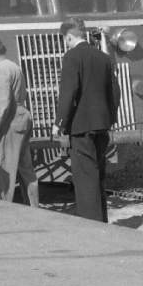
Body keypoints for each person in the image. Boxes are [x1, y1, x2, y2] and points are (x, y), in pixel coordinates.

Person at [53, 17, 119, 222]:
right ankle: (102, 219)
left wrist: (59, 123)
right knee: (98, 174)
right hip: (102, 125)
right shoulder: (103, 57)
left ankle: (91, 224)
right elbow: (114, 92)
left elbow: (68, 92)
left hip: (81, 128)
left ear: (70, 37)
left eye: (66, 40)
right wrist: (110, 119)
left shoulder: (72, 57)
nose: (66, 43)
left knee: (85, 178)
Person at [0, 37, 39, 207]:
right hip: (21, 119)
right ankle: (35, 209)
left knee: (3, 169)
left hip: (9, 122)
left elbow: (2, 105)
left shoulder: (1, 70)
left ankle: (2, 211)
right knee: (26, 169)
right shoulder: (12, 66)